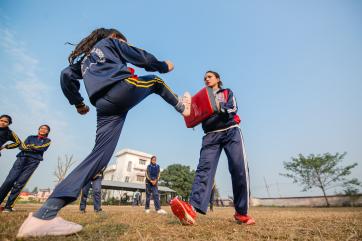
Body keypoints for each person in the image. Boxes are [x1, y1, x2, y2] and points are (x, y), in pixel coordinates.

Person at [17, 28, 191, 238]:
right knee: (156, 81)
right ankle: (183, 107)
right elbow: (140, 56)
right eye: (124, 41)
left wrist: (78, 103)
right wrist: (163, 66)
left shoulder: (83, 62)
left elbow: (65, 75)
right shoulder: (111, 42)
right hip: (119, 88)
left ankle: (44, 215)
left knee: (99, 158)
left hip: (103, 106)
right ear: (115, 38)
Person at [170, 71, 255, 225]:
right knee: (204, 169)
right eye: (204, 78)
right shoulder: (200, 98)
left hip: (231, 131)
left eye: (209, 76)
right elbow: (192, 117)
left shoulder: (226, 92)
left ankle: (241, 213)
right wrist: (186, 109)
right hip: (210, 135)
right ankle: (192, 210)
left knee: (239, 169)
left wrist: (218, 106)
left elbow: (233, 108)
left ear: (218, 79)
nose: (206, 79)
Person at [0, 125, 51, 212]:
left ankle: (8, 206)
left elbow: (41, 148)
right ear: (38, 130)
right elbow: (21, 146)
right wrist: (32, 147)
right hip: (21, 158)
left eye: (45, 129)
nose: (43, 129)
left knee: (20, 183)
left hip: (33, 162)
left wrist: (30, 147)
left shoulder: (47, 141)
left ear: (47, 132)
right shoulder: (30, 137)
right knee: (9, 180)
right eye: (41, 128)